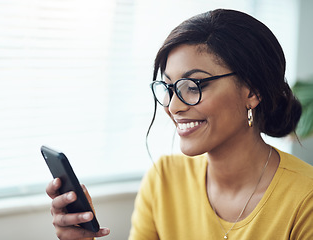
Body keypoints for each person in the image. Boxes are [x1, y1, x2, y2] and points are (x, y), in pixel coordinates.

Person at [46, 9, 313, 239]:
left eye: (193, 85)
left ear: (252, 92)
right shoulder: (164, 179)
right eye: (169, 87)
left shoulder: (305, 199)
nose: (173, 107)